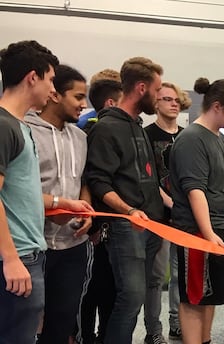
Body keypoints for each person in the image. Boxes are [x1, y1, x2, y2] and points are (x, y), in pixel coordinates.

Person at [0, 41, 89, 344]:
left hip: (30, 252)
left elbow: (19, 193)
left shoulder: (18, 126)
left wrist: (63, 202)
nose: (53, 88)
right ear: (32, 78)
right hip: (17, 256)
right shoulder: (5, 126)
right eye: (51, 79)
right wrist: (11, 258)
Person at [84, 57, 166, 344]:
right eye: (156, 91)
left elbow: (148, 179)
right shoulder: (106, 129)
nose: (158, 97)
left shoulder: (139, 129)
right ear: (141, 88)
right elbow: (98, 182)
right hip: (126, 229)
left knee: (137, 297)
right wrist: (129, 210)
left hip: (151, 227)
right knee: (130, 298)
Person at [169, 77, 224, 344]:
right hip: (200, 232)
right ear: (217, 106)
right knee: (195, 297)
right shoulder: (191, 139)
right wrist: (208, 232)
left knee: (211, 295)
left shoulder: (220, 138)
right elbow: (195, 191)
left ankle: (205, 340)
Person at [25, 64, 95, 344]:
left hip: (72, 246)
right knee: (23, 321)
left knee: (63, 319)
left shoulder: (80, 137)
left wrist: (86, 209)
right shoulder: (23, 130)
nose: (83, 104)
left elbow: (84, 182)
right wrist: (52, 207)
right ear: (55, 95)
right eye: (78, 97)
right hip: (32, 246)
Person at [144, 81, 191, 341]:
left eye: (176, 99)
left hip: (185, 216)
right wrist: (170, 204)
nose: (173, 103)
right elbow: (149, 178)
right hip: (158, 214)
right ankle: (153, 330)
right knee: (155, 276)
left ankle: (177, 322)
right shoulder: (146, 135)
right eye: (166, 99)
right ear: (155, 103)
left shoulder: (188, 135)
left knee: (181, 272)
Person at [79, 76, 123, 344]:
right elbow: (91, 180)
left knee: (109, 292)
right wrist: (94, 225)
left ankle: (105, 336)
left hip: (111, 229)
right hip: (93, 228)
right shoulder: (91, 129)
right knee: (89, 293)